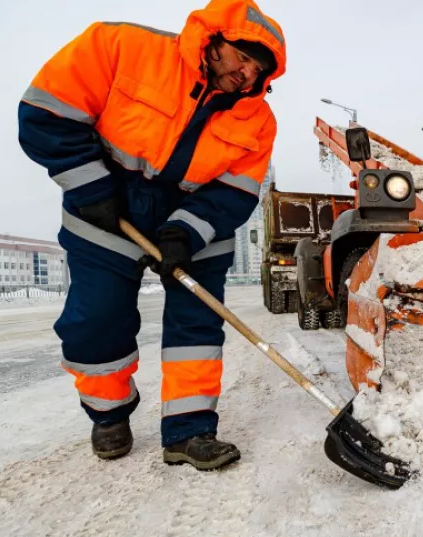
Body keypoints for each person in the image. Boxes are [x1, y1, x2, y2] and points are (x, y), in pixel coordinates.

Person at [17, 0, 286, 470]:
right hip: (107, 212)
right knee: (95, 320)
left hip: (194, 229)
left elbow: (234, 193)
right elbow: (45, 115)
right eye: (241, 57)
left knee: (196, 329)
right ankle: (108, 414)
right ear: (213, 40)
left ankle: (190, 431)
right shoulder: (120, 46)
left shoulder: (258, 121)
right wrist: (92, 186)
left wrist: (186, 232)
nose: (246, 75)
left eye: (257, 70)